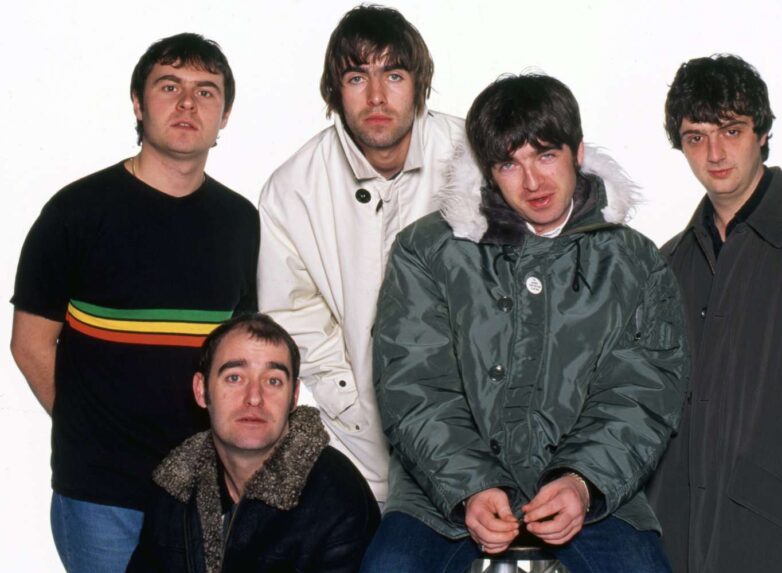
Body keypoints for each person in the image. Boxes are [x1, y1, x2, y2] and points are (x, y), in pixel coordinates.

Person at [362, 74, 689, 573]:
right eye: (509, 164)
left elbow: (642, 392)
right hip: (441, 494)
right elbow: (414, 384)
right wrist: (469, 486)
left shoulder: (633, 262)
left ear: (578, 153)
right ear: (489, 171)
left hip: (591, 495)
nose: (532, 182)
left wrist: (583, 482)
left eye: (545, 156)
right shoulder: (426, 250)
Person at [10, 33, 259, 571]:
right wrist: (87, 434)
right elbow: (29, 344)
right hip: (101, 495)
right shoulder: (76, 212)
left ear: (225, 115)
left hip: (203, 491)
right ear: (138, 104)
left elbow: (240, 355)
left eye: (206, 91)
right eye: (169, 86)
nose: (187, 103)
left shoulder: (240, 222)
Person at [646, 54, 782, 573]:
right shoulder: (669, 264)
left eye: (731, 130)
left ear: (761, 133)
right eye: (696, 137)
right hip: (677, 548)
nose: (715, 153)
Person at [257, 4, 464, 504]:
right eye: (356, 78)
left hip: (479, 444)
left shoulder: (474, 157)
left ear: (418, 84)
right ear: (335, 91)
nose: (376, 97)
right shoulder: (294, 189)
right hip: (360, 451)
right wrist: (352, 406)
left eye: (393, 75)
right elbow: (292, 315)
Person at [128, 313, 380, 572]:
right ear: (201, 390)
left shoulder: (336, 497)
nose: (255, 397)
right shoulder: (175, 485)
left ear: (294, 397)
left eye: (273, 381)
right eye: (235, 377)